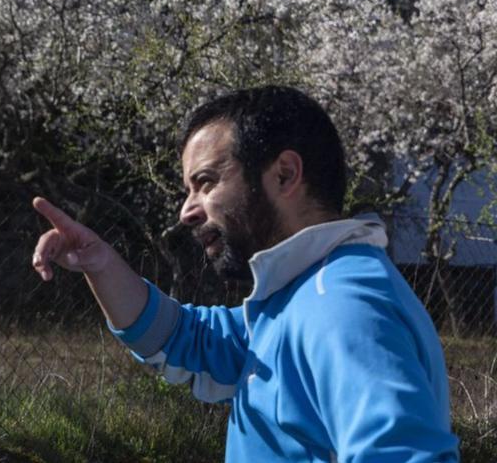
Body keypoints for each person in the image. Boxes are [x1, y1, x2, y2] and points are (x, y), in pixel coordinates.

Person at [31, 86, 460, 462]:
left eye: (206, 182)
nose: (186, 211)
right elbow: (189, 341)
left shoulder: (340, 307)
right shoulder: (298, 297)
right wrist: (101, 263)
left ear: (284, 174)